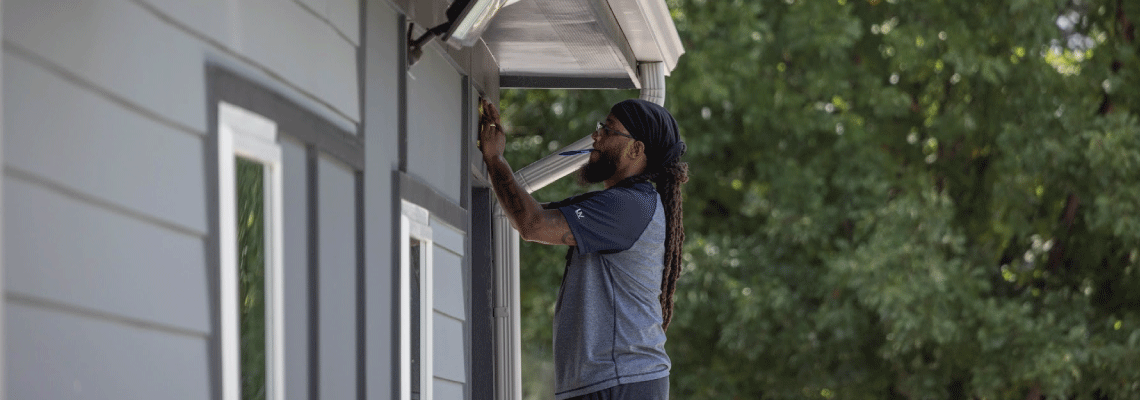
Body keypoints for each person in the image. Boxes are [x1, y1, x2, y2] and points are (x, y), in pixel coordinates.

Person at [478, 98, 689, 400]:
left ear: (636, 149)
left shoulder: (628, 207)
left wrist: (495, 160)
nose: (596, 135)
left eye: (609, 129)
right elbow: (527, 213)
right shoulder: (616, 205)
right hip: (609, 381)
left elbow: (532, 223)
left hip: (621, 381)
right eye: (601, 127)